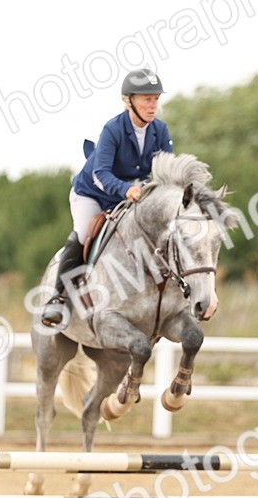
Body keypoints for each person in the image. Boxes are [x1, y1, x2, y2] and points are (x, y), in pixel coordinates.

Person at [40, 68, 173, 327]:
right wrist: (126, 190)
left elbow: (165, 170)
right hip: (93, 194)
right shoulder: (113, 129)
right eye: (147, 99)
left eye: (156, 98)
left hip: (133, 197)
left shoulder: (161, 130)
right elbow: (101, 173)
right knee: (82, 232)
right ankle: (58, 297)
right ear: (128, 101)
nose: (153, 104)